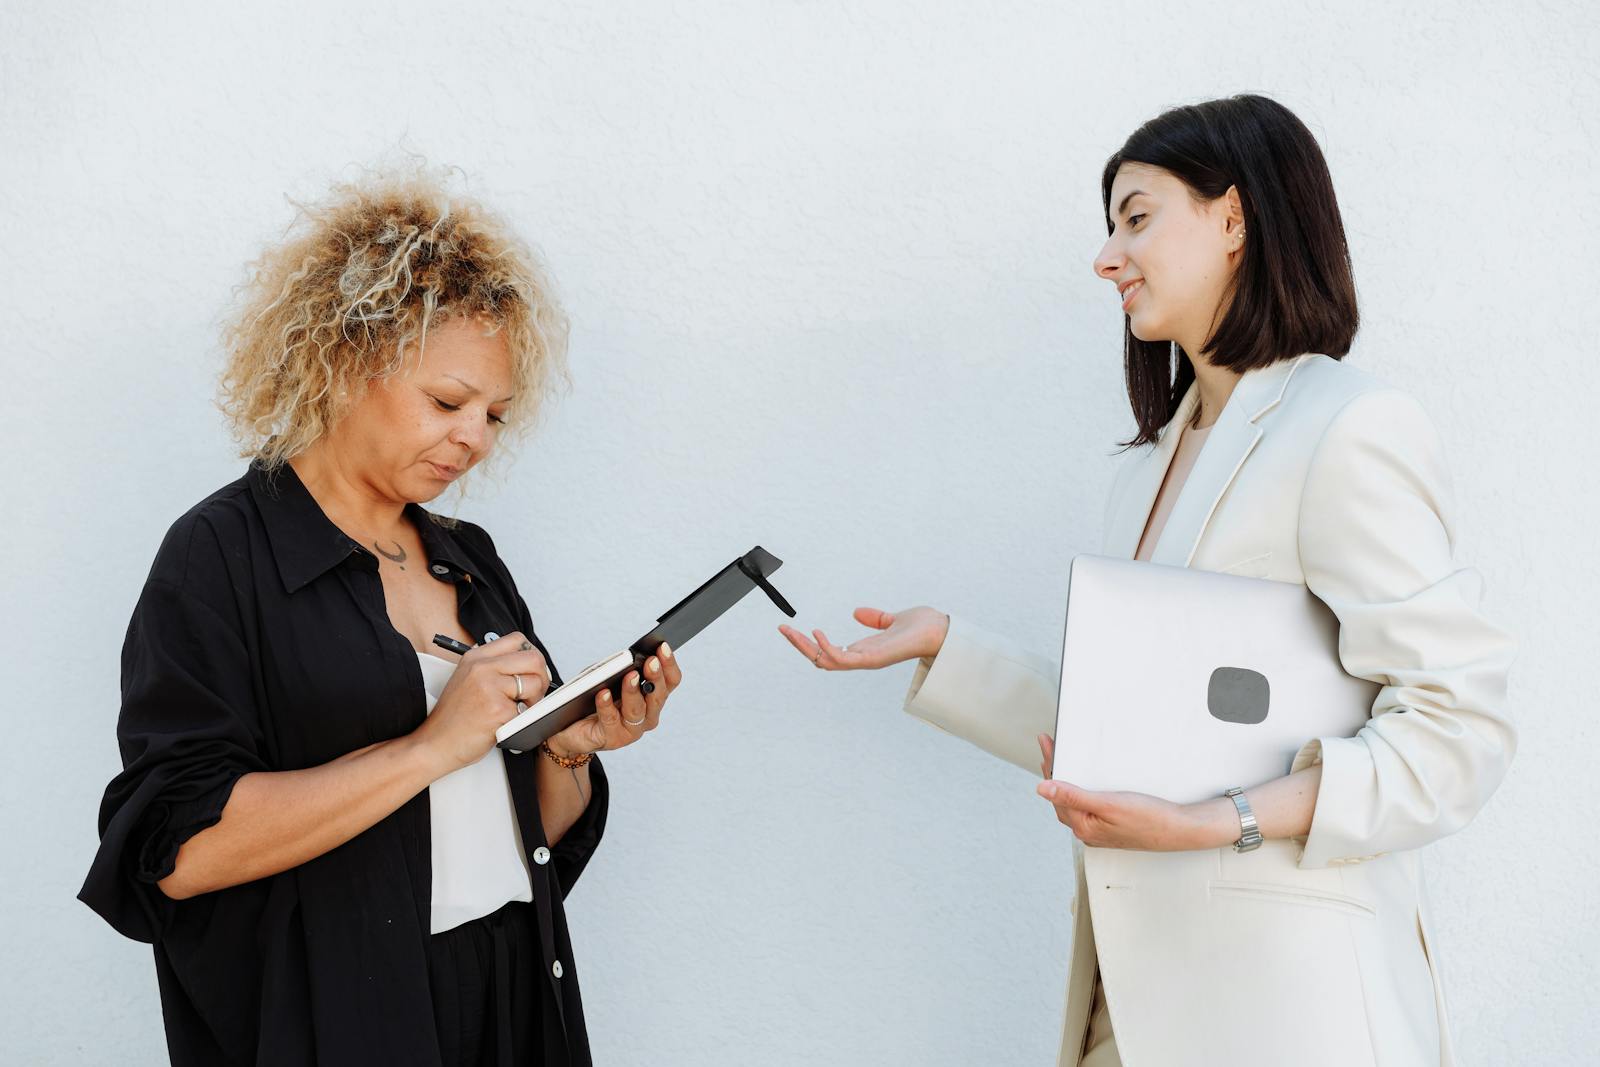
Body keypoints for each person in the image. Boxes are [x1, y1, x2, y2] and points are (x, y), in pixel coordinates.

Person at [780, 95, 1516, 1066]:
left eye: (1135, 217)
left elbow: (1459, 729)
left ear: (1233, 219)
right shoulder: (1150, 464)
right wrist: (945, 647)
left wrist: (1223, 818)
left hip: (1286, 1013)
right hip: (1133, 1005)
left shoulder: (1345, 426)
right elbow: (1150, 723)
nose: (1104, 257)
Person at [79, 168, 682, 1066]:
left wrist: (568, 748)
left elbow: (524, 840)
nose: (474, 437)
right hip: (331, 1017)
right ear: (347, 356)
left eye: (494, 415)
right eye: (448, 402)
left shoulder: (468, 555)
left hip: (511, 992)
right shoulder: (218, 556)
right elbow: (178, 852)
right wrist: (432, 744)